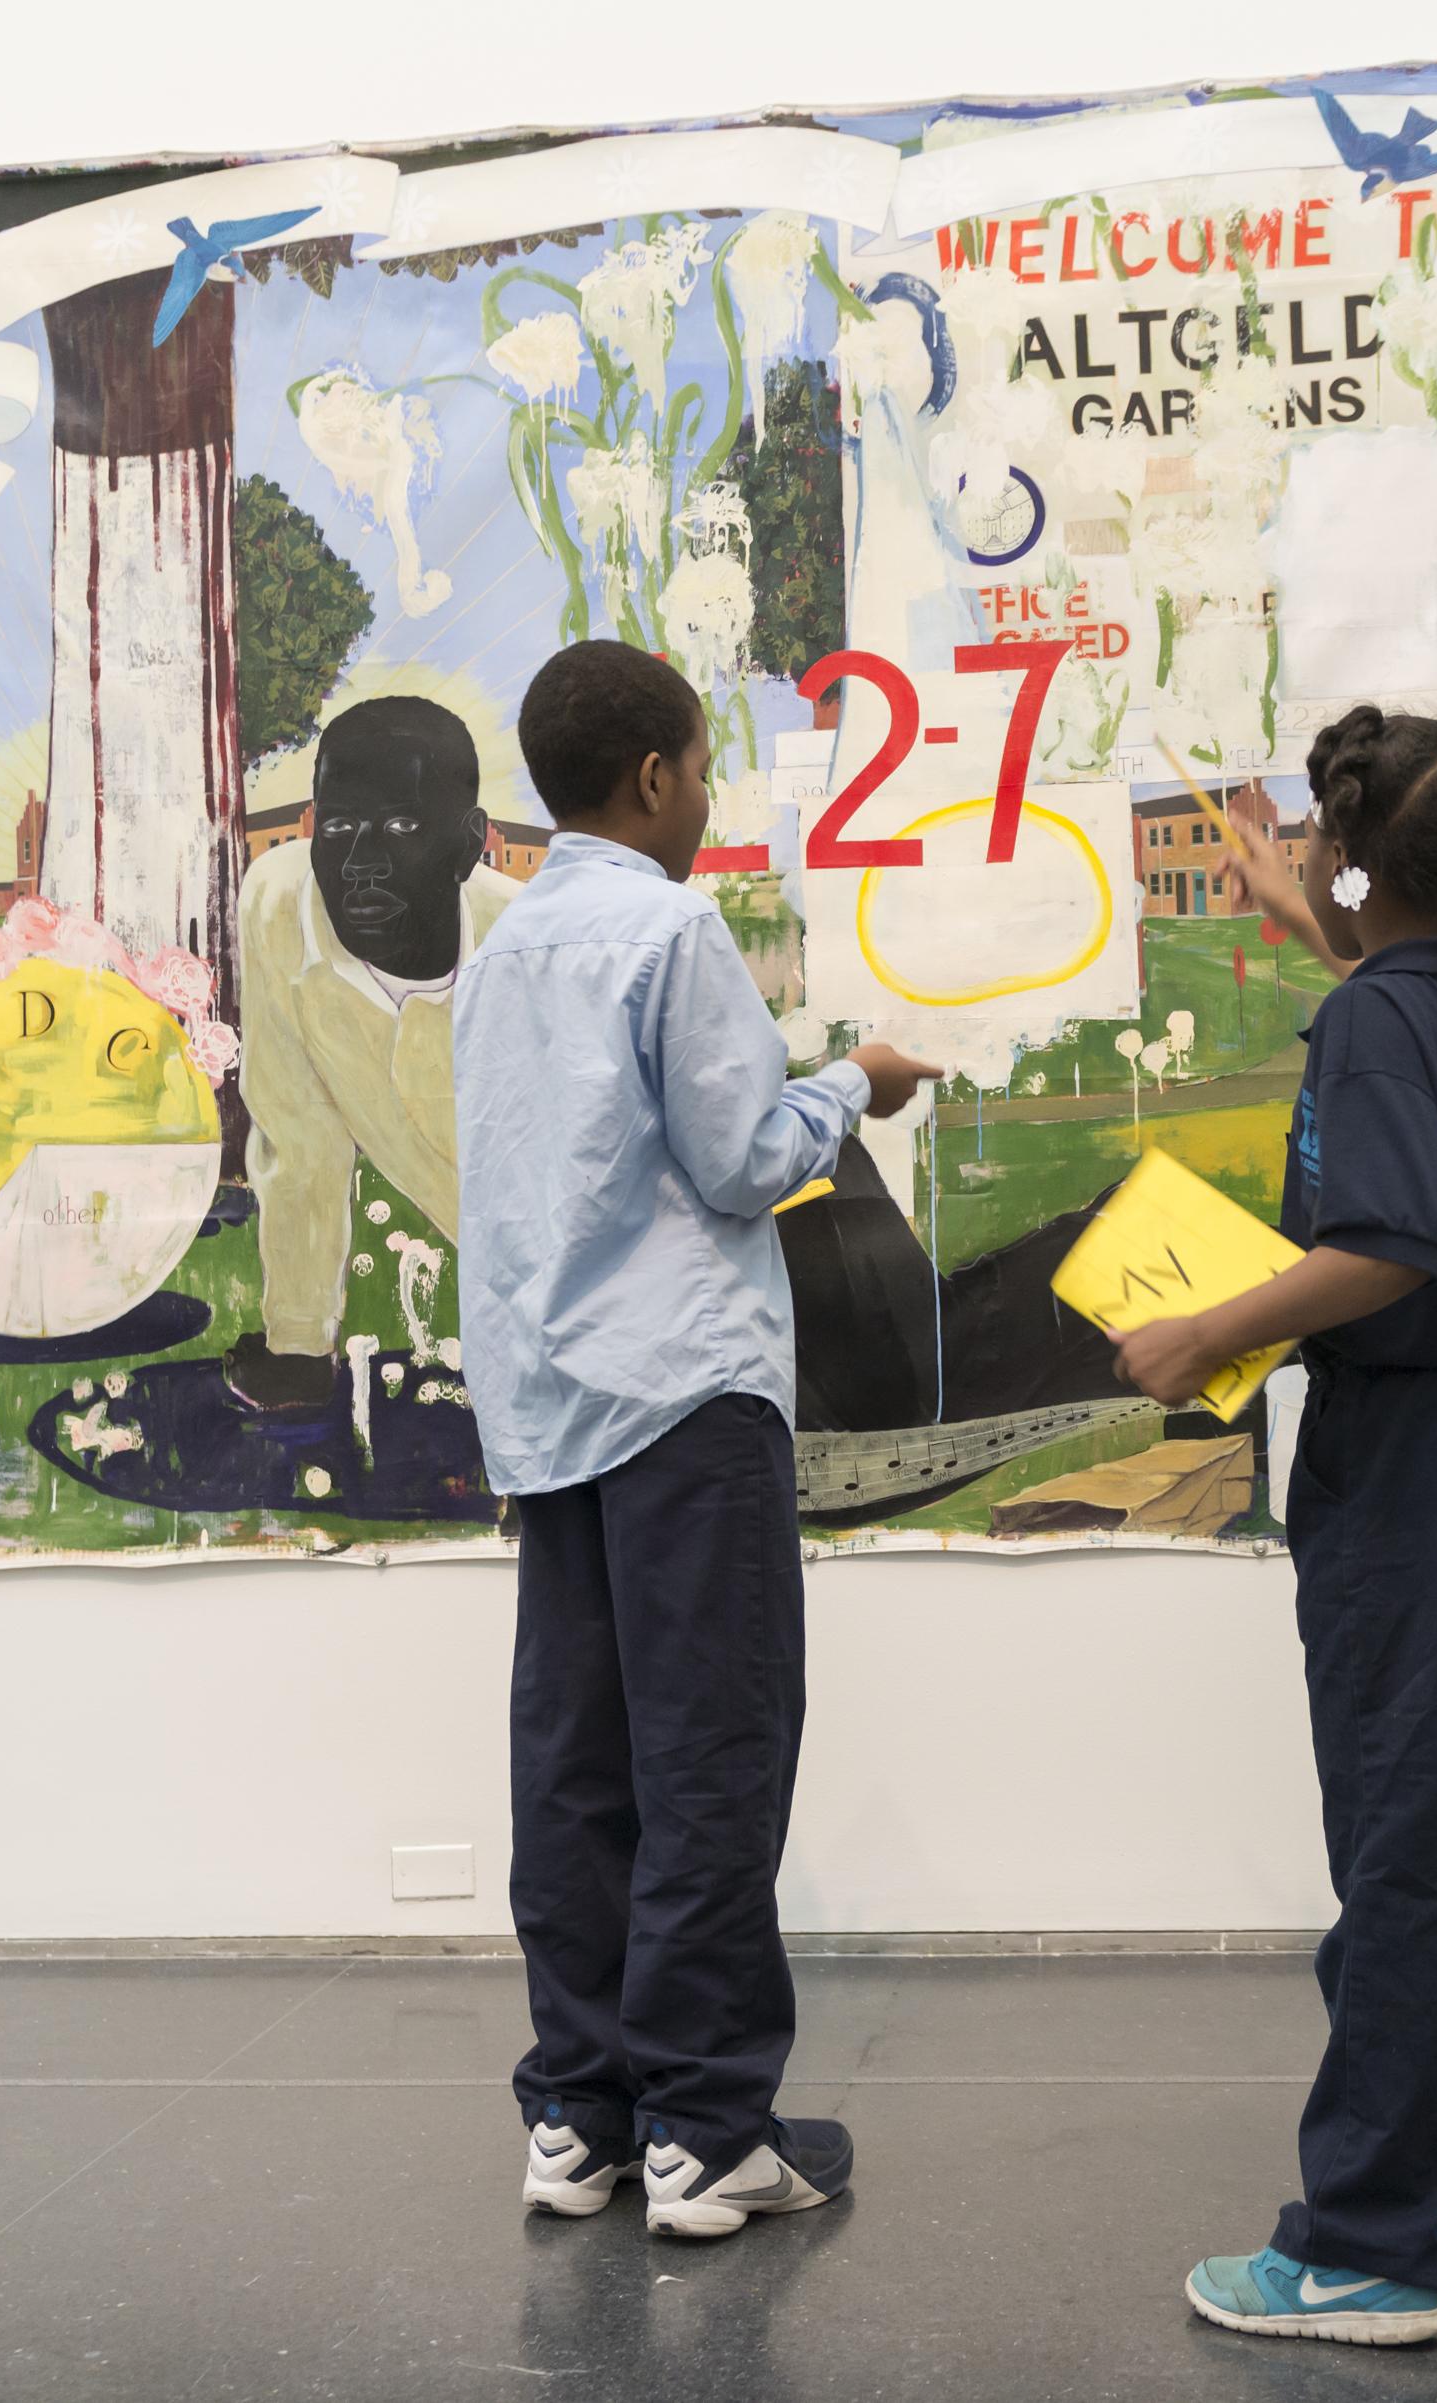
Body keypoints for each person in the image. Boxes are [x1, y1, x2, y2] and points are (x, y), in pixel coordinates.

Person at [1117, 707, 1437, 2353]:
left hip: (1419, 1457)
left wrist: (1205, 1332)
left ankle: (1363, 2241)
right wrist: (1328, 914)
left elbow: (1395, 1246)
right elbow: (1412, 997)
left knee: (1400, 1856)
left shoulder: (1368, 1024)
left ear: (1349, 860)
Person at [452, 641, 940, 2241]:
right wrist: (849, 1084)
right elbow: (737, 1162)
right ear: (657, 779)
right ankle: (710, 2129)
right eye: (703, 769)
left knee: (577, 1767)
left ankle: (579, 2116)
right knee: (711, 1756)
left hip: (551, 1407)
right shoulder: (669, 925)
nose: (707, 795)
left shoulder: (506, 946)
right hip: (682, 1400)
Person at [228, 694, 522, 1411]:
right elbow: (296, 1136)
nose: (359, 862)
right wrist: (298, 1343)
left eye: (399, 826)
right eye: (338, 826)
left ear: (468, 844)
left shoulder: (525, 946)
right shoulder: (277, 905)